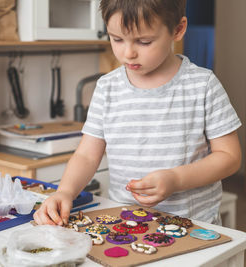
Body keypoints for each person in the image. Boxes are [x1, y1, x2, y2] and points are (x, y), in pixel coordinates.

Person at [34, 0, 242, 226]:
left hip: (194, 226)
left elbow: (229, 157)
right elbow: (86, 155)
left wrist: (176, 179)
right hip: (126, 224)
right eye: (117, 39)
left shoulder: (203, 85)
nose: (128, 53)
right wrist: (65, 192)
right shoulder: (107, 87)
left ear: (178, 29)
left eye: (144, 41)